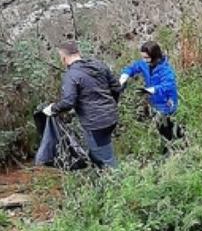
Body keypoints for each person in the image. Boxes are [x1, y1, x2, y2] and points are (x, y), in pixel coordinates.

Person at [38, 41, 122, 169]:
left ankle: (119, 183)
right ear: (78, 53)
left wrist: (52, 109)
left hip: (95, 124)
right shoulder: (99, 65)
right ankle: (98, 175)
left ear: (63, 58)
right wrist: (111, 106)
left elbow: (68, 102)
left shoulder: (71, 75)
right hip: (111, 118)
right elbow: (116, 88)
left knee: (106, 159)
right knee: (97, 151)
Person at [120, 41, 181, 141]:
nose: (144, 60)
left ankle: (177, 145)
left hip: (167, 103)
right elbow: (133, 67)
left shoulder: (165, 69)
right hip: (155, 102)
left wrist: (150, 90)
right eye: (143, 57)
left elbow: (167, 85)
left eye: (146, 57)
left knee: (170, 126)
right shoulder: (145, 64)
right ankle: (168, 145)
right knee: (161, 127)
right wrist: (124, 76)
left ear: (155, 56)